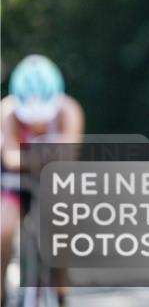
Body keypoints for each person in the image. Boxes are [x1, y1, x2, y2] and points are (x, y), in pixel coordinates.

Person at [1, 55, 85, 307]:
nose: (36, 124)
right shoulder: (7, 111)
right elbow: (11, 159)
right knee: (3, 228)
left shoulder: (69, 110)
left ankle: (60, 292)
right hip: (14, 181)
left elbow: (69, 156)